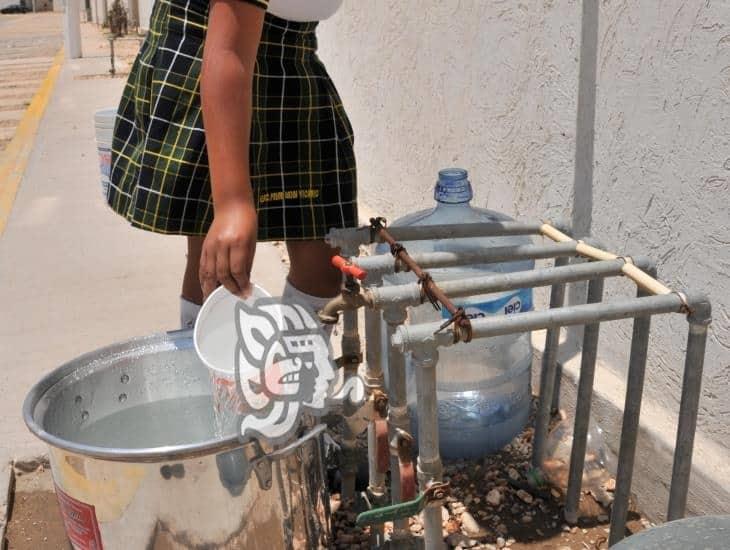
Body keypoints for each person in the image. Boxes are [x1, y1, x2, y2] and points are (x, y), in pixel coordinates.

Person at [107, 0, 356, 327]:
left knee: (324, 263)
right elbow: (228, 54)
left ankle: (298, 375)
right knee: (221, 262)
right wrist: (233, 204)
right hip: (214, 53)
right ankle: (205, 372)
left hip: (292, 52)